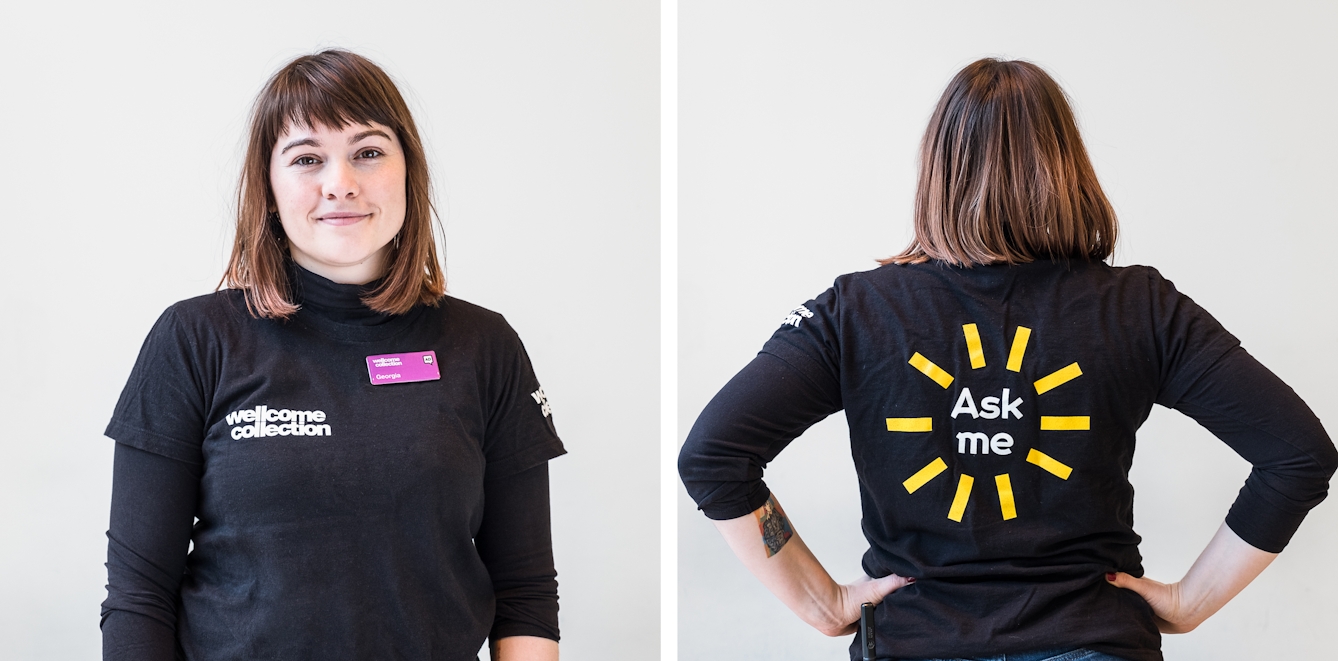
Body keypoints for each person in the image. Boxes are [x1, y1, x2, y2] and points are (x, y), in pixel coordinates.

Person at [678, 58, 1336, 661]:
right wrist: (1190, 603)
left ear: (937, 169)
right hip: (1096, 642)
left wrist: (824, 604)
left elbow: (713, 454)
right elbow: (1297, 452)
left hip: (913, 644)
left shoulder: (858, 310)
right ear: (1067, 166)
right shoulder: (1140, 306)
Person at [100, 50, 564, 661]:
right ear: (268, 186)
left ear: (408, 172)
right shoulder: (194, 339)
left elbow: (525, 593)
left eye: (368, 152)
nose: (340, 182)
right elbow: (139, 595)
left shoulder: (485, 346)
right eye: (307, 159)